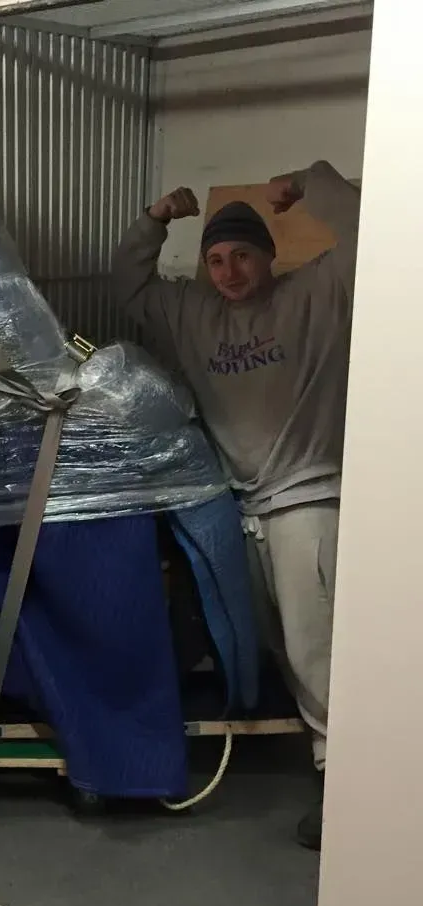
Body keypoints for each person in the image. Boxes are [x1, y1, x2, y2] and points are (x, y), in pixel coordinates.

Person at [112, 161, 361, 851]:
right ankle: (322, 755)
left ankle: (344, 784)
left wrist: (315, 181)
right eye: (215, 258)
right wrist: (156, 220)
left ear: (269, 255)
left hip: (310, 493)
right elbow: (128, 284)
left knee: (317, 649)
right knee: (278, 642)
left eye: (242, 255)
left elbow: (374, 235)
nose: (227, 271)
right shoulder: (194, 313)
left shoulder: (314, 297)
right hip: (244, 502)